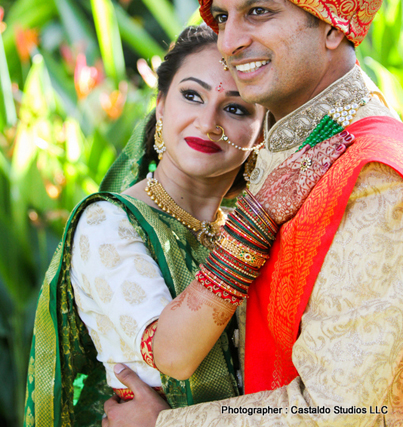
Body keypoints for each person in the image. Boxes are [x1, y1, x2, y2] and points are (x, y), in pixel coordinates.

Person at [102, 0, 403, 427]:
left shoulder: (374, 174)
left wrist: (161, 425)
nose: (231, 41)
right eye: (221, 16)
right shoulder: (283, 149)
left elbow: (339, 411)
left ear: (333, 22)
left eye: (259, 11)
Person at [23, 25, 347, 427]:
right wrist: (257, 220)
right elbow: (174, 355)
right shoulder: (109, 224)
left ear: (262, 135)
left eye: (236, 107)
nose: (208, 122)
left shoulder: (247, 230)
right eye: (191, 95)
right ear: (160, 106)